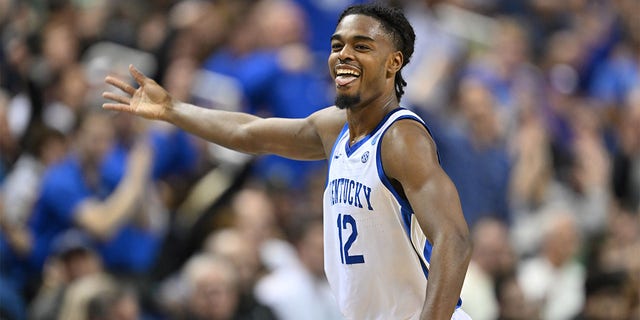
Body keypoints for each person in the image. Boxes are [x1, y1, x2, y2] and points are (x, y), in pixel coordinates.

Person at [103, 4, 472, 319]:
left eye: (362, 46)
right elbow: (250, 133)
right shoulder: (335, 128)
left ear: (394, 63)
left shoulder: (400, 137)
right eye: (337, 45)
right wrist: (173, 109)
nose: (344, 54)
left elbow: (453, 239)